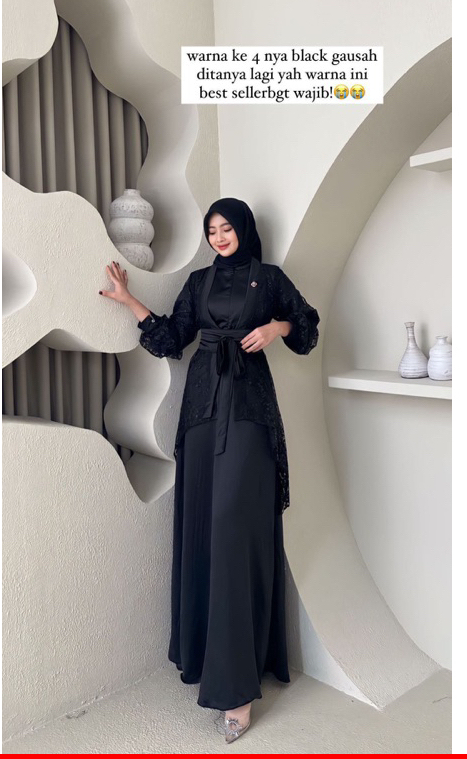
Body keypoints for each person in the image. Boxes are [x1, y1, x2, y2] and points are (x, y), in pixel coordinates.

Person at [99, 197, 320, 743]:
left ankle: (236, 687)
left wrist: (276, 327)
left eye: (226, 228)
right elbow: (172, 338)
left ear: (243, 229)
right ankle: (207, 656)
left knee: (235, 533)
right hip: (200, 414)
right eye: (212, 229)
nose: (219, 237)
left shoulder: (269, 279)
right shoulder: (198, 282)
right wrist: (129, 301)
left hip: (249, 413)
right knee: (205, 530)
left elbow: (308, 329)